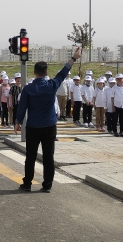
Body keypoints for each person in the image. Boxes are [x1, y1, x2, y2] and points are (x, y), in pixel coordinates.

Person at [16, 46, 82, 192]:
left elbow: (22, 107)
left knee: (31, 156)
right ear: (46, 72)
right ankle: (47, 185)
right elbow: (63, 73)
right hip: (49, 126)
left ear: (34, 72)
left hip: (33, 126)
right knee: (48, 156)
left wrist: (18, 122)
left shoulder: (28, 89)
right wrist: (74, 58)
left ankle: (27, 183)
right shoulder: (52, 85)